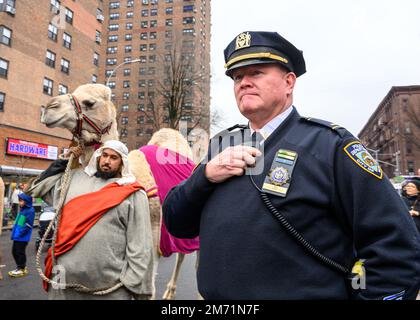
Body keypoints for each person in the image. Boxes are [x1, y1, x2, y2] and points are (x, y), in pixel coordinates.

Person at [163, 31, 420, 300]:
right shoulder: (220, 145)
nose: (244, 83)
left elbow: (397, 247)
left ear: (289, 82)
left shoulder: (330, 145)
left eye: (256, 72)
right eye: (237, 77)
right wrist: (204, 176)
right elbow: (177, 223)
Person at [25, 140, 154, 300]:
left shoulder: (133, 193)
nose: (107, 161)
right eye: (104, 155)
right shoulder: (73, 180)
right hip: (63, 284)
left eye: (114, 158)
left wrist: (133, 285)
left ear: (122, 163)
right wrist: (65, 160)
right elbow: (36, 189)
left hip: (109, 289)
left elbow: (140, 246)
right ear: (98, 157)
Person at [8, 192, 35, 278]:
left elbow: (28, 225)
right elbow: (20, 222)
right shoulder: (23, 209)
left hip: (22, 237)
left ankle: (21, 268)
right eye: (19, 201)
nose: (19, 202)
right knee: (14, 252)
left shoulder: (30, 210)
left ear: (26, 201)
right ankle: (20, 267)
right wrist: (15, 229)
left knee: (19, 252)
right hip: (18, 236)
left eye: (21, 201)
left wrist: (20, 233)